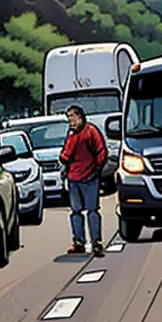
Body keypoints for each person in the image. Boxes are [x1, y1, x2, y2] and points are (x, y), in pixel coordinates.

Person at [60, 105, 108, 256]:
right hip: (74, 178)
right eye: (69, 118)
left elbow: (101, 151)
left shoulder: (90, 132)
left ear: (80, 117)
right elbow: (65, 155)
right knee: (76, 212)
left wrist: (97, 170)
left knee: (92, 210)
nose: (71, 121)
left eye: (73, 117)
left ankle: (96, 242)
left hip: (89, 178)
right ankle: (78, 242)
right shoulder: (71, 135)